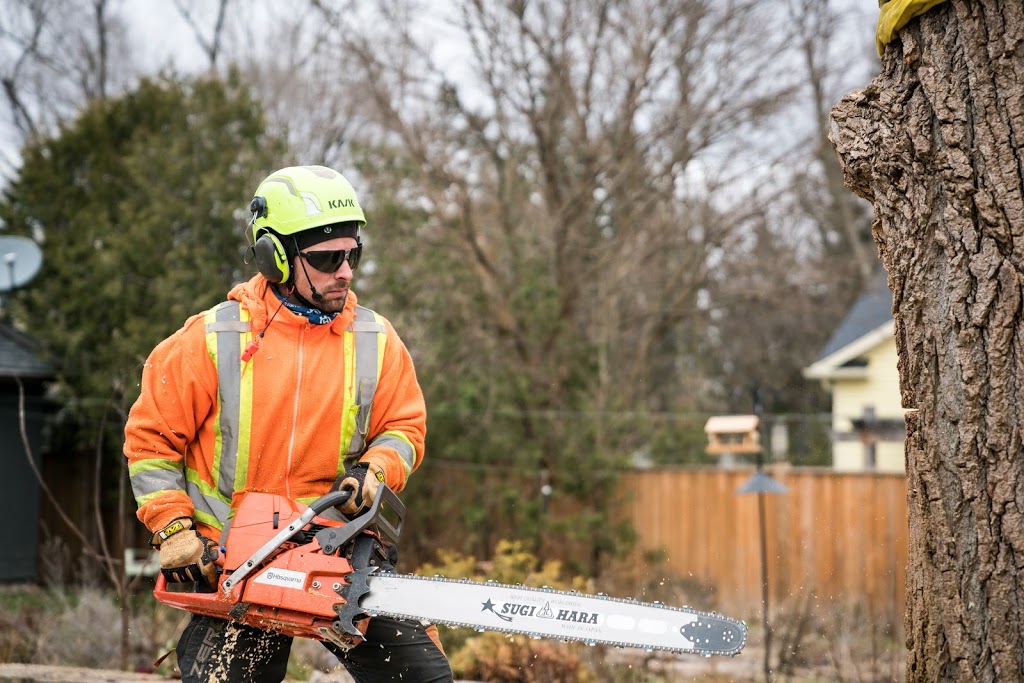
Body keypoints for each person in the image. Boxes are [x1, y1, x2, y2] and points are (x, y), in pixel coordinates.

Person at [124, 165, 452, 682]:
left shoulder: (376, 341)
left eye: (352, 255)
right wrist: (174, 529)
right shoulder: (212, 339)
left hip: (335, 552)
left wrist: (379, 467)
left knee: (421, 677)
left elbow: (404, 427)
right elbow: (150, 442)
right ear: (274, 257)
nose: (345, 271)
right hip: (236, 561)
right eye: (327, 259)